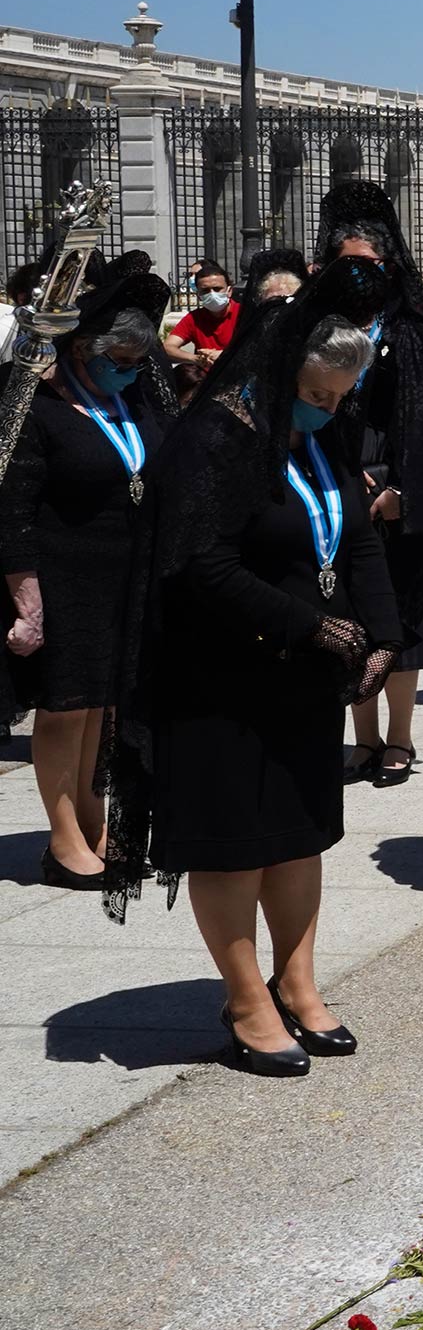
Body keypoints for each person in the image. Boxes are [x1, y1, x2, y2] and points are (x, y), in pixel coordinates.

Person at [119, 259, 400, 1073]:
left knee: (298, 835)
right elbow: (201, 565)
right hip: (220, 675)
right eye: (317, 395)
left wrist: (379, 631)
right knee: (234, 844)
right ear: (280, 370)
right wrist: (314, 627)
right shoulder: (215, 437)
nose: (328, 410)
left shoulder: (317, 436)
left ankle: (299, 984)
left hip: (301, 674)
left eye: (340, 398)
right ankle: (245, 1001)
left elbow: (356, 532)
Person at [3, 257, 169, 887]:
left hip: (125, 575)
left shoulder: (131, 402)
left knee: (104, 706)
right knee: (66, 707)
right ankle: (63, 836)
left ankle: (96, 817)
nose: (126, 372)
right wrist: (27, 598)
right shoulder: (37, 411)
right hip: (64, 577)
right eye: (116, 360)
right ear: (79, 350)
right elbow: (14, 510)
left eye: (135, 362)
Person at [316, 181, 423, 794]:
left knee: (399, 619)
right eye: (347, 263)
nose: (359, 274)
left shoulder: (416, 325)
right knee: (346, 615)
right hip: (335, 475)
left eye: (368, 263)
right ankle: (363, 738)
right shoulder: (319, 321)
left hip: (398, 479)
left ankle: (398, 737)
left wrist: (404, 486)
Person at [160, 260, 240, 396]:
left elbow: (260, 349)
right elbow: (167, 348)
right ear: (198, 294)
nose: (212, 294)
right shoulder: (194, 318)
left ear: (229, 291)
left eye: (217, 289)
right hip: (208, 385)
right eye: (205, 290)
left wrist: (223, 355)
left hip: (240, 381)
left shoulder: (243, 314)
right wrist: (197, 359)